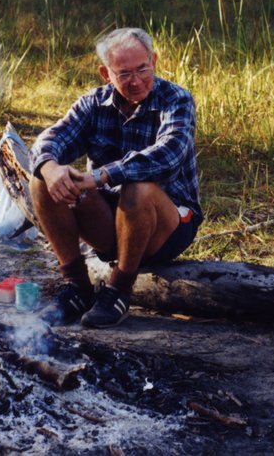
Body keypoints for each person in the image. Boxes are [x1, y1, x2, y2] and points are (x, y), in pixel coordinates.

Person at [30, 27, 202, 328]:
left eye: (142, 69)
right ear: (105, 73)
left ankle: (119, 289)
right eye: (123, 74)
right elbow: (50, 139)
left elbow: (168, 155)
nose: (135, 81)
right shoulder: (93, 104)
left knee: (138, 186)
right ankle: (78, 287)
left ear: (154, 61)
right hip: (114, 224)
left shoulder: (176, 100)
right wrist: (50, 167)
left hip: (169, 224)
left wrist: (101, 176)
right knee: (42, 179)